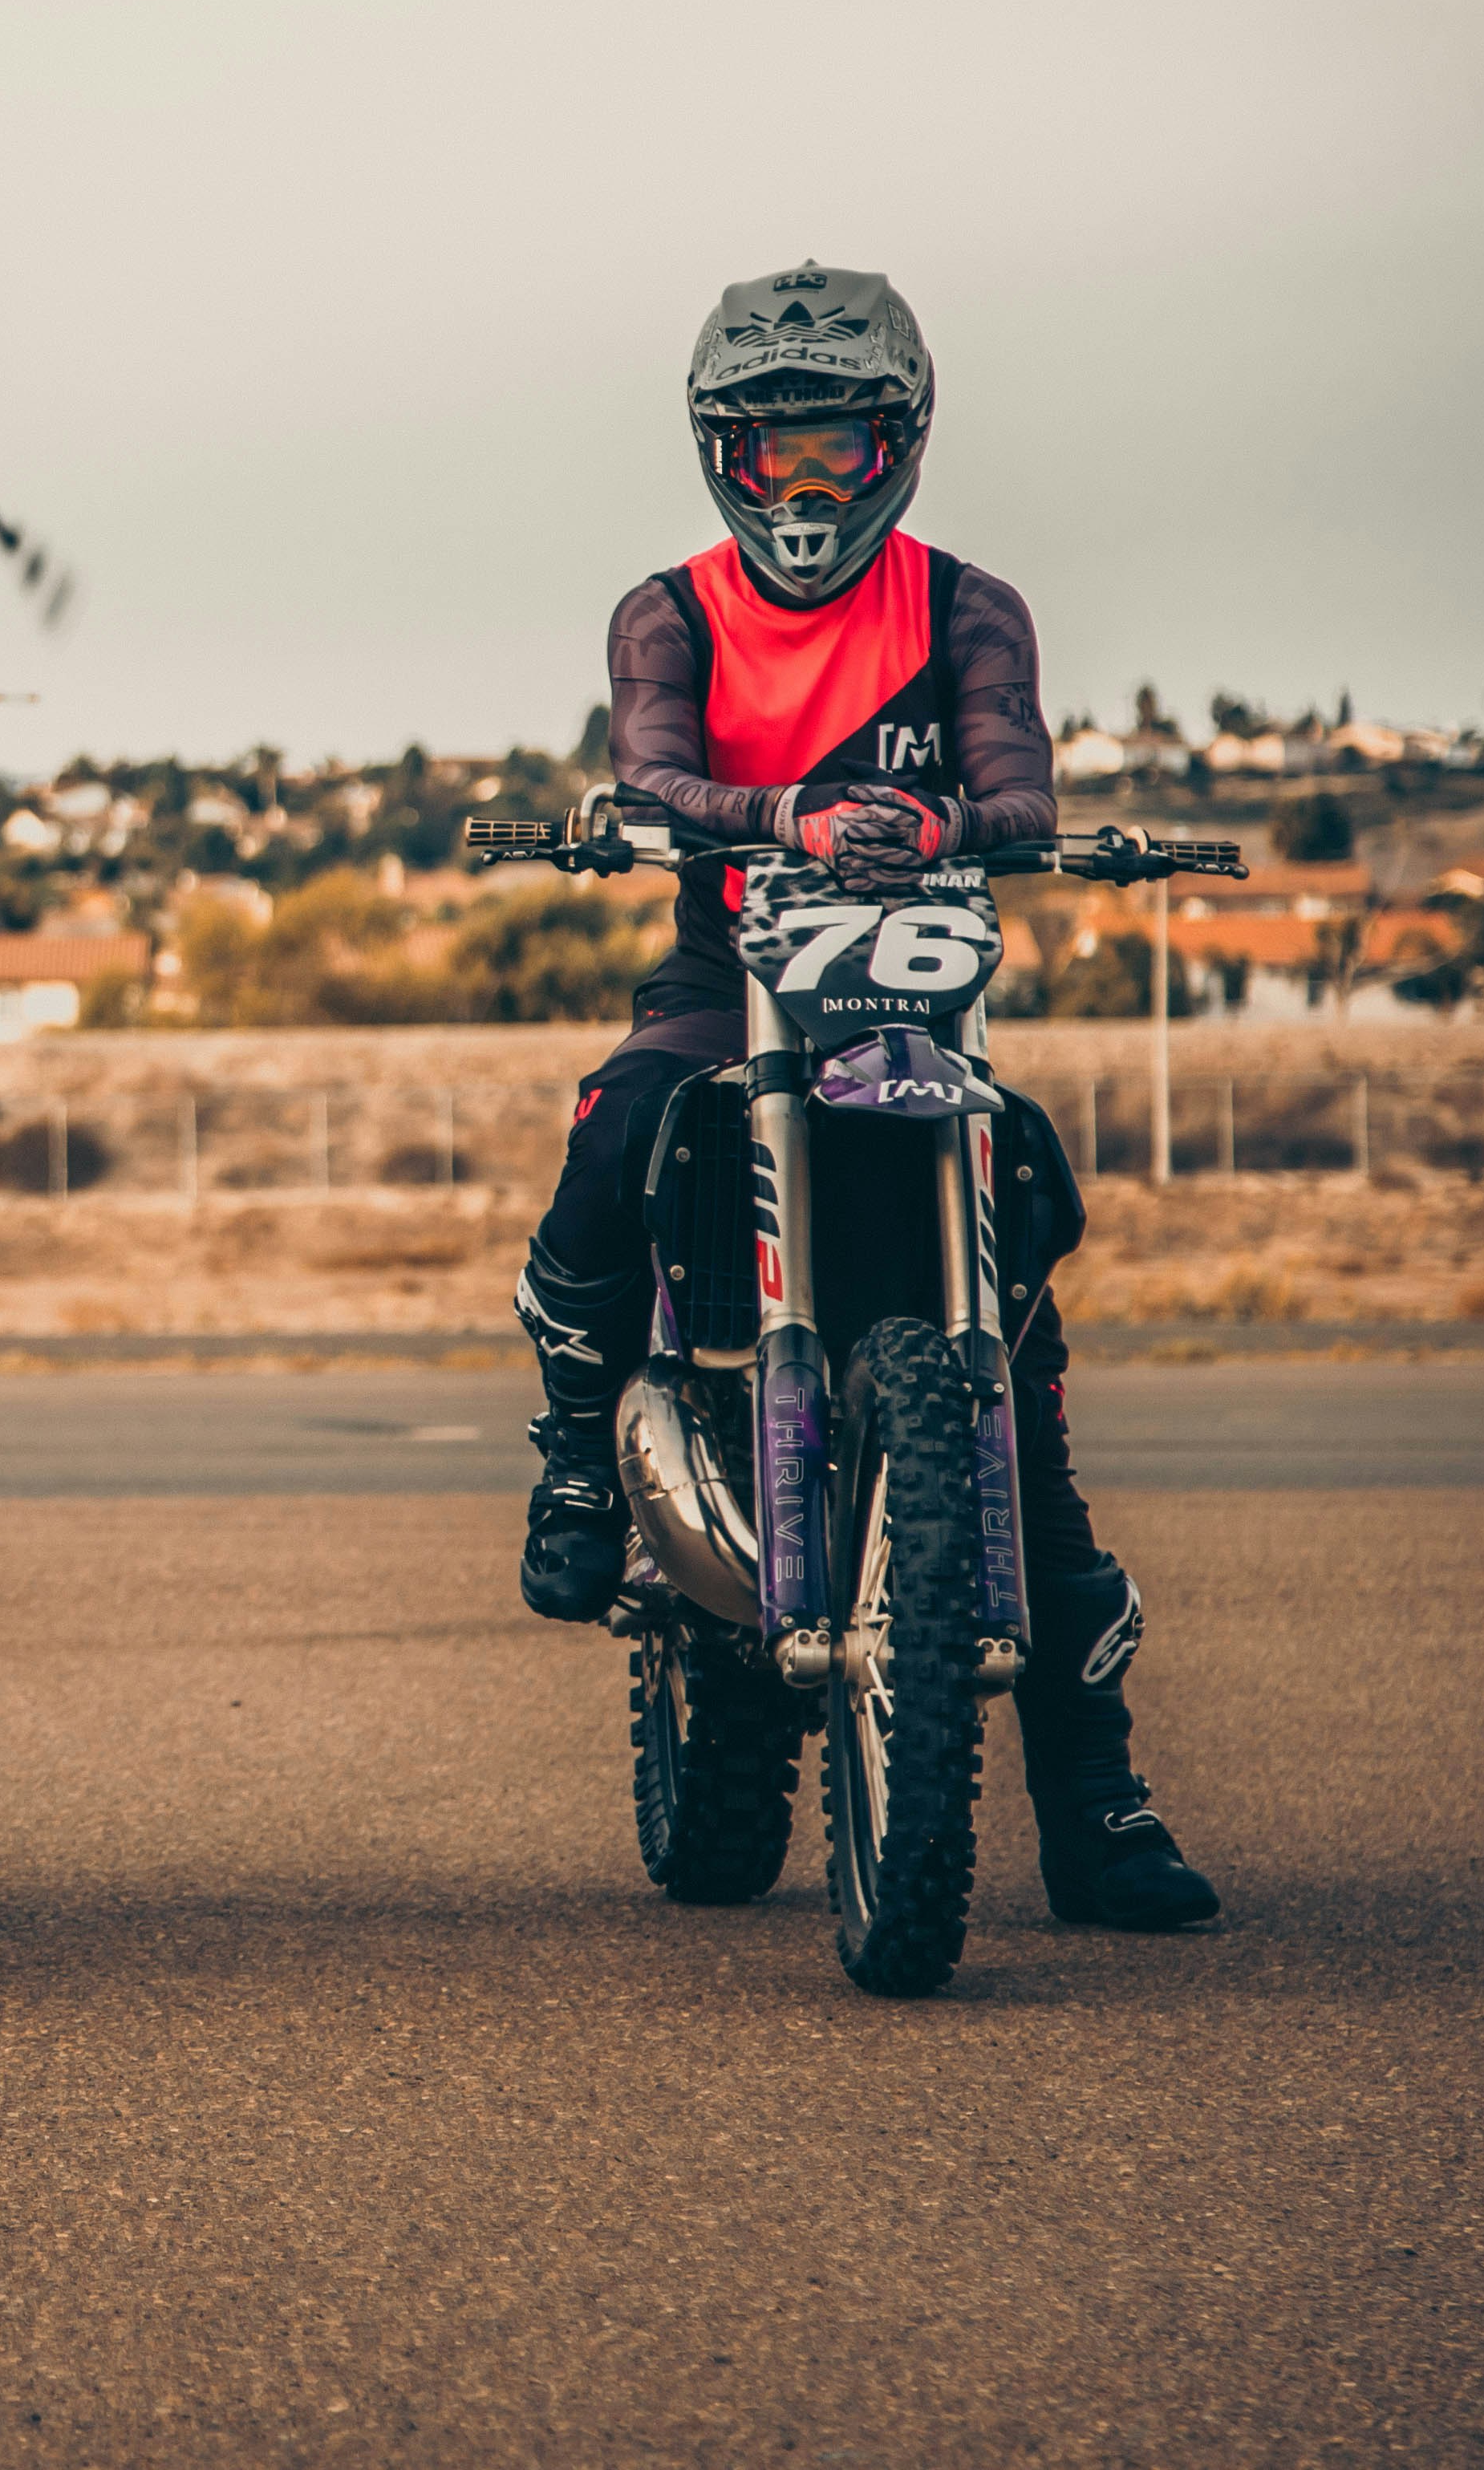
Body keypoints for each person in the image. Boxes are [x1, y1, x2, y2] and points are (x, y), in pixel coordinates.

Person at [506, 262, 1218, 1933]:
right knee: (618, 1128)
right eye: (771, 450)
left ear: (895, 442)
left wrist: (949, 830)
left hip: (914, 993)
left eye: (833, 444)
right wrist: (792, 820)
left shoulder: (966, 607)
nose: (803, 483)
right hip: (730, 979)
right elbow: (647, 773)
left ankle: (1098, 1807)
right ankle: (572, 1454)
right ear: (721, 456)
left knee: (1022, 1342)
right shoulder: (668, 612)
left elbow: (1017, 785)